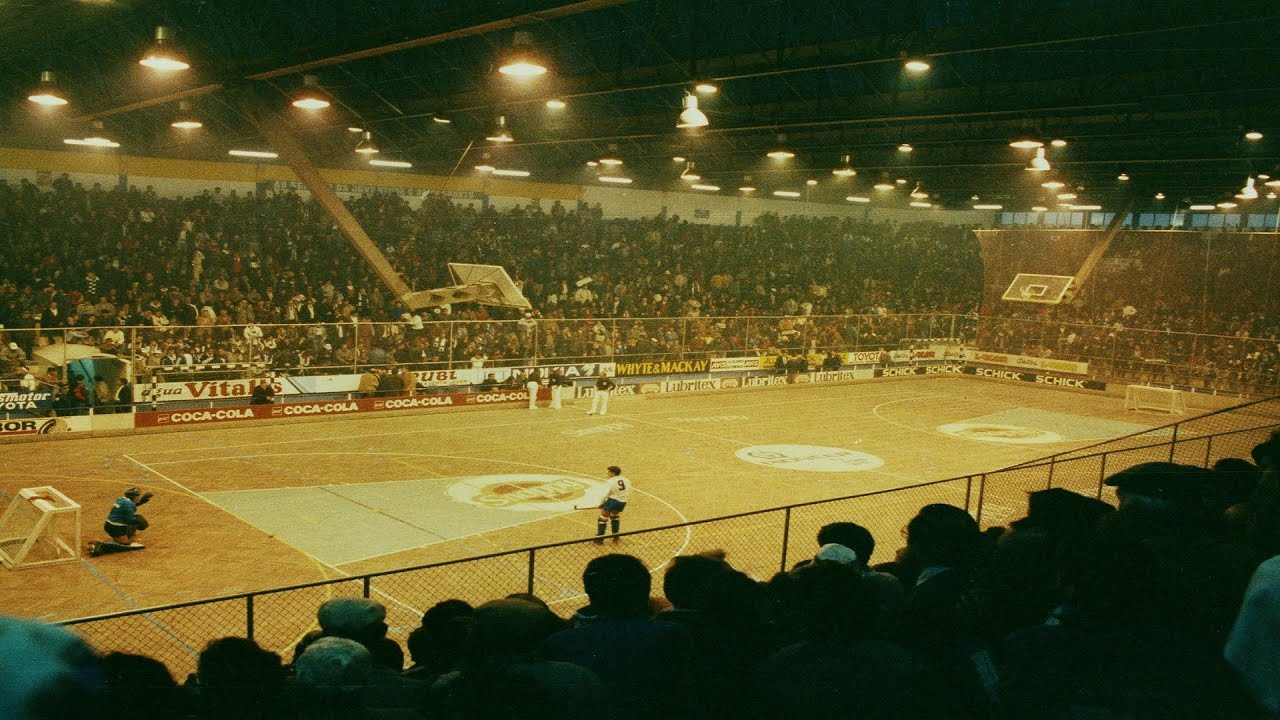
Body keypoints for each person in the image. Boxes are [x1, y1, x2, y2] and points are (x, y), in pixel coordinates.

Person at [90, 487, 153, 557]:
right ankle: (101, 545)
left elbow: (129, 506)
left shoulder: (121, 499)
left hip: (108, 525)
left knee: (136, 519)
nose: (139, 497)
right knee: (124, 545)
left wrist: (142, 501)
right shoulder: (129, 505)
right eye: (138, 495)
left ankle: (123, 536)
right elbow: (129, 520)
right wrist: (139, 521)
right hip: (117, 528)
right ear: (134, 497)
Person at [595, 466, 631, 543]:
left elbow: (605, 494)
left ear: (613, 473)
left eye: (609, 471)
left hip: (613, 501)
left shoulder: (610, 481)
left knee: (603, 517)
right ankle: (615, 536)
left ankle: (599, 539)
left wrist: (601, 503)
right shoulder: (626, 480)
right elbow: (628, 491)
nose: (608, 473)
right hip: (622, 501)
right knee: (615, 516)